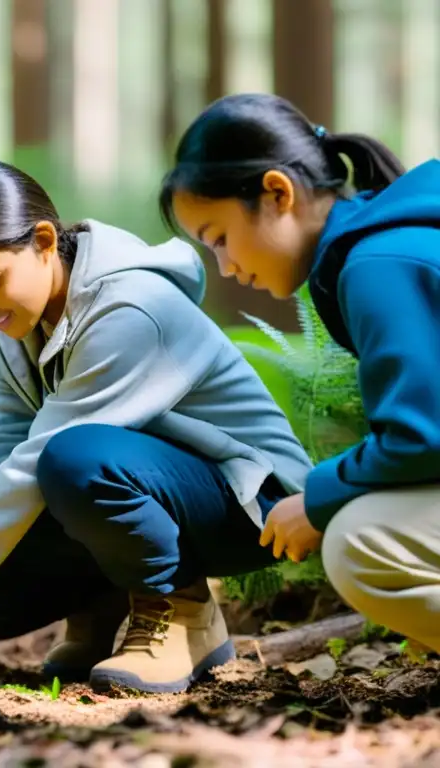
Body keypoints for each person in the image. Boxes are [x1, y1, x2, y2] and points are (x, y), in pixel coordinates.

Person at [0, 159, 313, 694]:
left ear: (44, 241)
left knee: (72, 458)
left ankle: (182, 613)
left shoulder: (133, 308)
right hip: (144, 484)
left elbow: (37, 457)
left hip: (256, 502)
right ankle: (104, 601)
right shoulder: (13, 329)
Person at [160, 92, 440, 653]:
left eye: (219, 238)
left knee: (361, 545)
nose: (227, 267)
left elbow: (422, 435)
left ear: (277, 193)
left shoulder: (377, 267)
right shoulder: (394, 241)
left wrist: (318, 497)